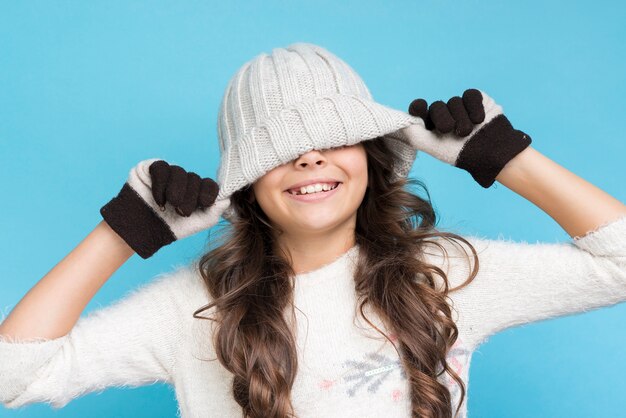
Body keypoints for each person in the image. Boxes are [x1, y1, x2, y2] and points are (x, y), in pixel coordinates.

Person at [1, 42, 625, 418]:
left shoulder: (442, 275)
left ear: (372, 155)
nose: (310, 158)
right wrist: (123, 231)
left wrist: (506, 157)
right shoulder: (196, 306)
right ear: (246, 182)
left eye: (333, 138)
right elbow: (13, 377)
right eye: (281, 148)